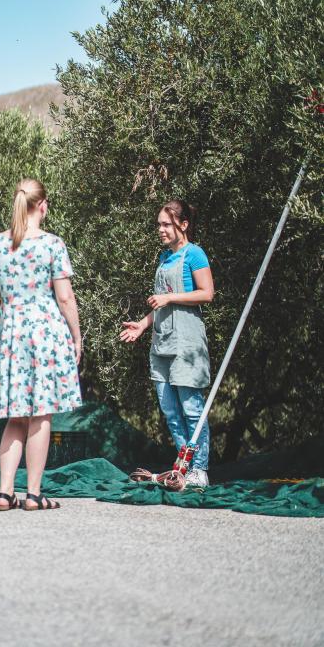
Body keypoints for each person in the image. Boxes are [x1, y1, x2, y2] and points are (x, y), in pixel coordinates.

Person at [0, 178, 82, 511]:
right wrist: (76, 337)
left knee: (15, 417)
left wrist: (3, 328)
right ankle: (34, 494)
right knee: (40, 415)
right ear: (43, 206)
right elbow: (65, 298)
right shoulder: (52, 244)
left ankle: (4, 491)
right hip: (45, 332)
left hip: (10, 331)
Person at [120, 199, 214, 487]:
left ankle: (199, 470)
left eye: (166, 224)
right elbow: (161, 304)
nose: (160, 229)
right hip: (161, 344)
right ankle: (183, 468)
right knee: (171, 412)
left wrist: (169, 297)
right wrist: (142, 325)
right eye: (159, 224)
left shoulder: (194, 254)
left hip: (186, 343)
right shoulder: (164, 258)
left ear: (183, 225)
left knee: (191, 409)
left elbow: (207, 293)